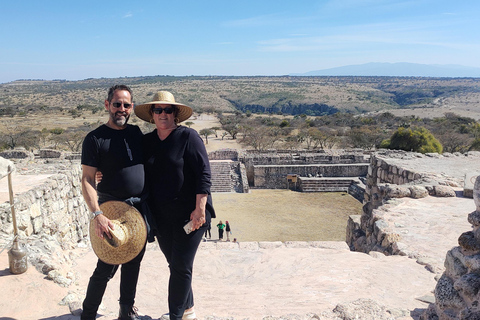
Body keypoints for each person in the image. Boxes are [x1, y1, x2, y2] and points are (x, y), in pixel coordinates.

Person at [134, 90, 215, 320]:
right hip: (161, 217)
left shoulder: (188, 137)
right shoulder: (147, 142)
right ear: (152, 114)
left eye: (167, 110)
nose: (162, 114)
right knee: (176, 265)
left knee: (180, 267)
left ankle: (176, 316)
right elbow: (130, 165)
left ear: (175, 113)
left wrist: (200, 209)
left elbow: (203, 174)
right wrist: (102, 173)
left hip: (190, 215)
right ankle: (188, 309)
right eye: (157, 109)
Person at [80, 84, 151, 320]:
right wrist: (97, 215)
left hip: (137, 211)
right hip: (112, 210)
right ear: (107, 105)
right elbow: (88, 179)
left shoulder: (135, 134)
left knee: (133, 263)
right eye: (117, 104)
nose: (122, 109)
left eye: (126, 105)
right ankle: (88, 313)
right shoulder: (95, 139)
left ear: (131, 107)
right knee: (106, 266)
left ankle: (125, 311)